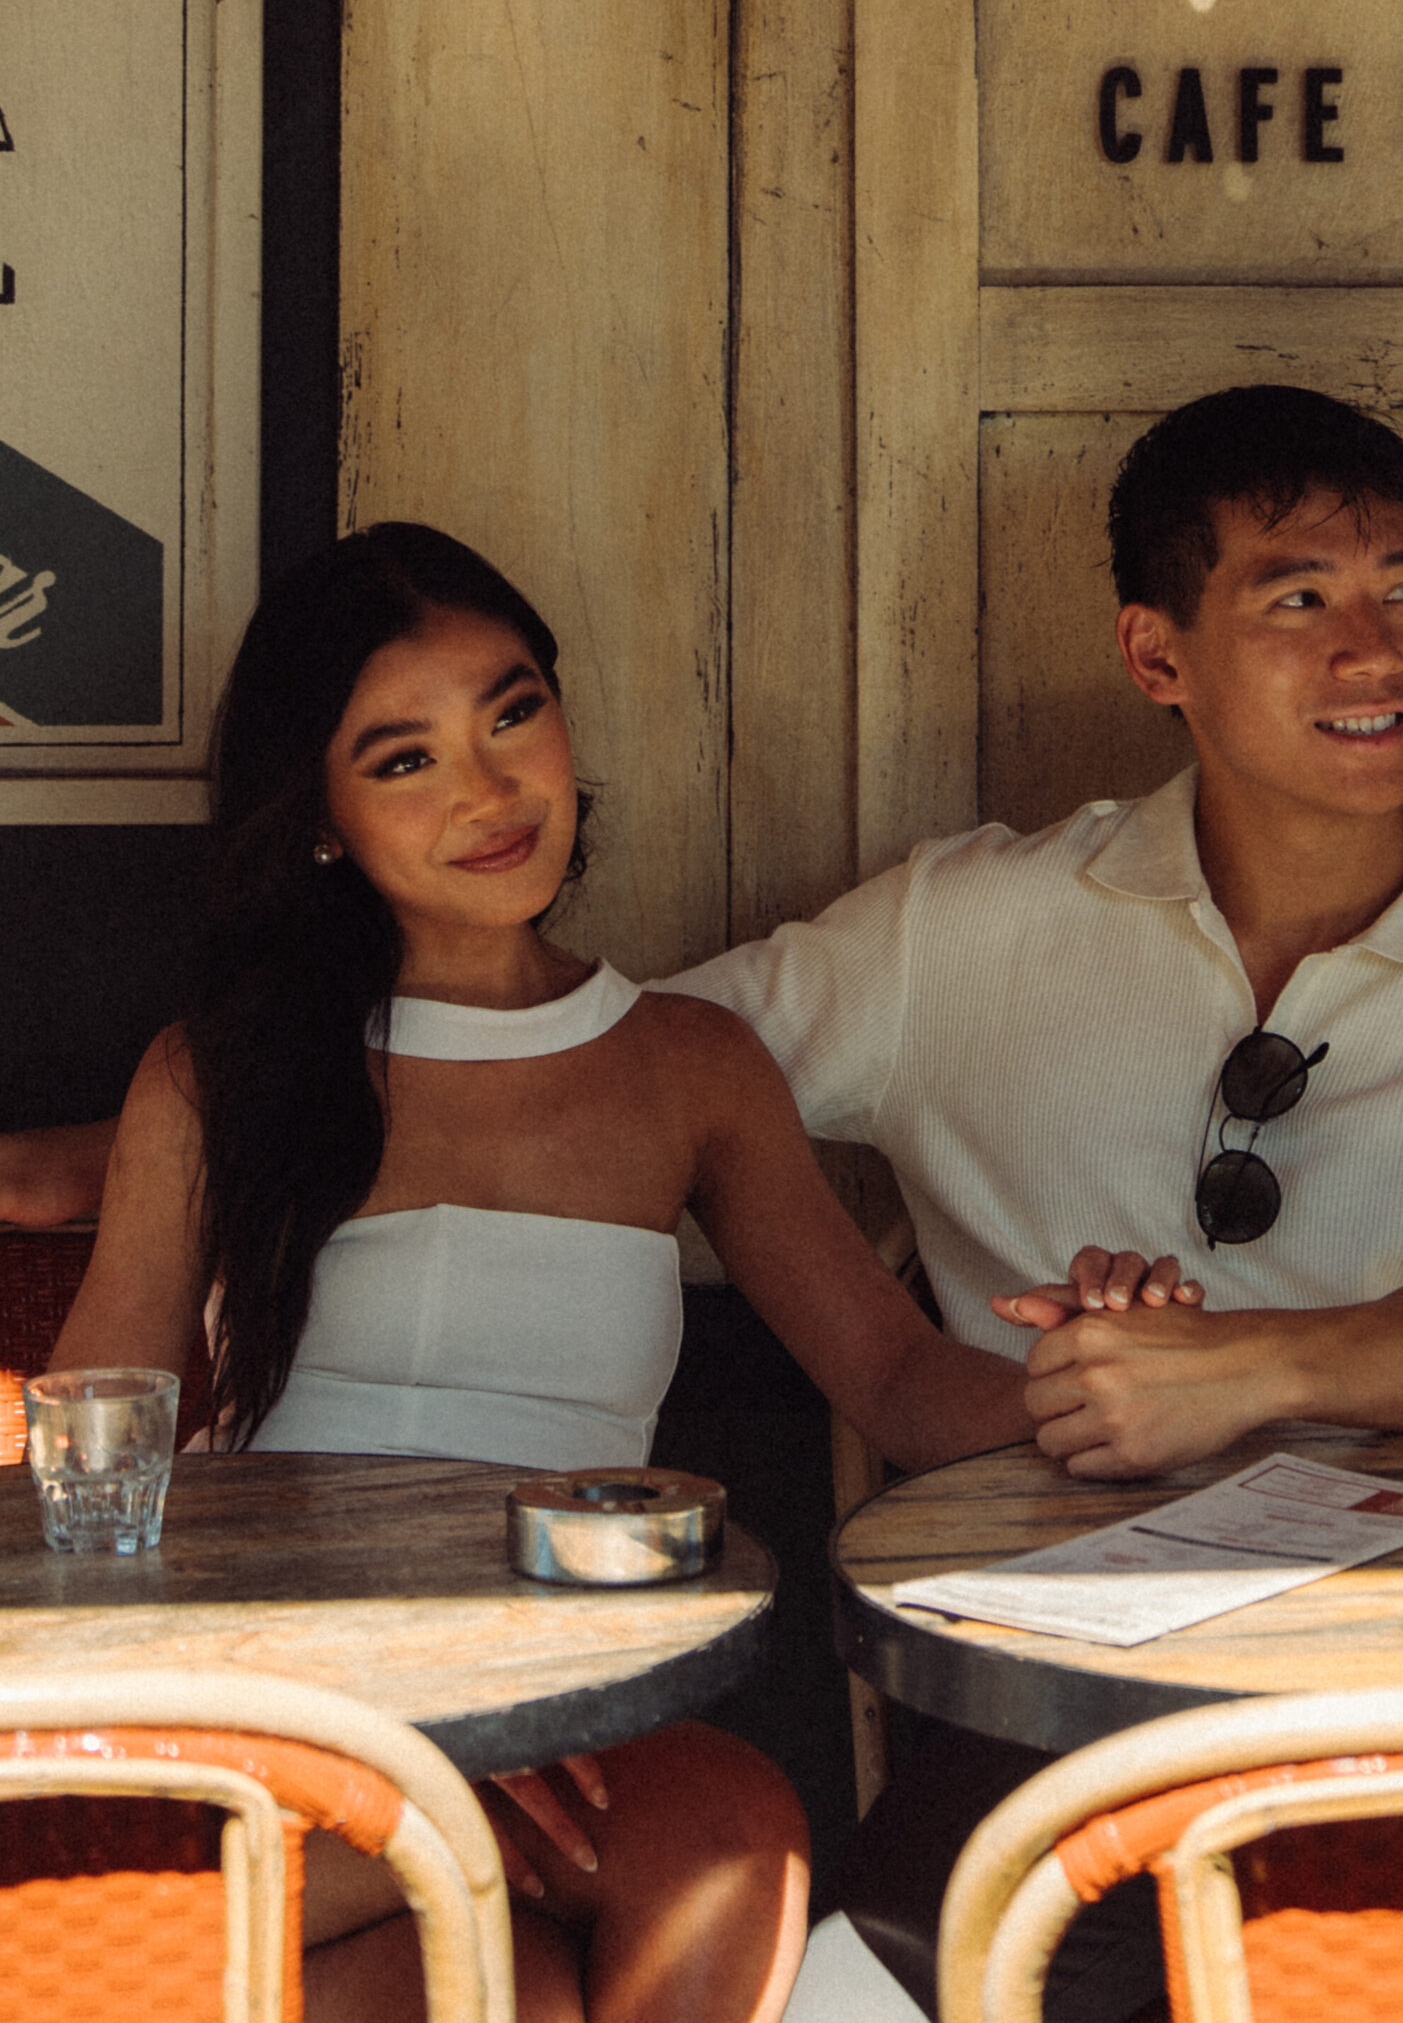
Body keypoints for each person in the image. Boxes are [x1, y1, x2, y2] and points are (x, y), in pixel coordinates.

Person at [664, 382, 1403, 2023]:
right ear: (1159, 658)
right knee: (834, 1992)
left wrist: (1242, 1369)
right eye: (1298, 599)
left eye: (1401, 592)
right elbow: (635, 1075)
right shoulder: (962, 931)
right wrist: (172, 1130)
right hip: (1057, 1697)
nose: (1373, 654)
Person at [47, 522, 1035, 2023]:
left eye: (511, 715)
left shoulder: (689, 1068)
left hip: (566, 1685)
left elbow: (893, 1375)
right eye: (404, 759)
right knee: (502, 1991)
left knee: (731, 1842)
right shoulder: (220, 1075)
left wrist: (1107, 1397)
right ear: (319, 815)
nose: (488, 790)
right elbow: (99, 1459)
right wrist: (387, 1742)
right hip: (293, 1685)